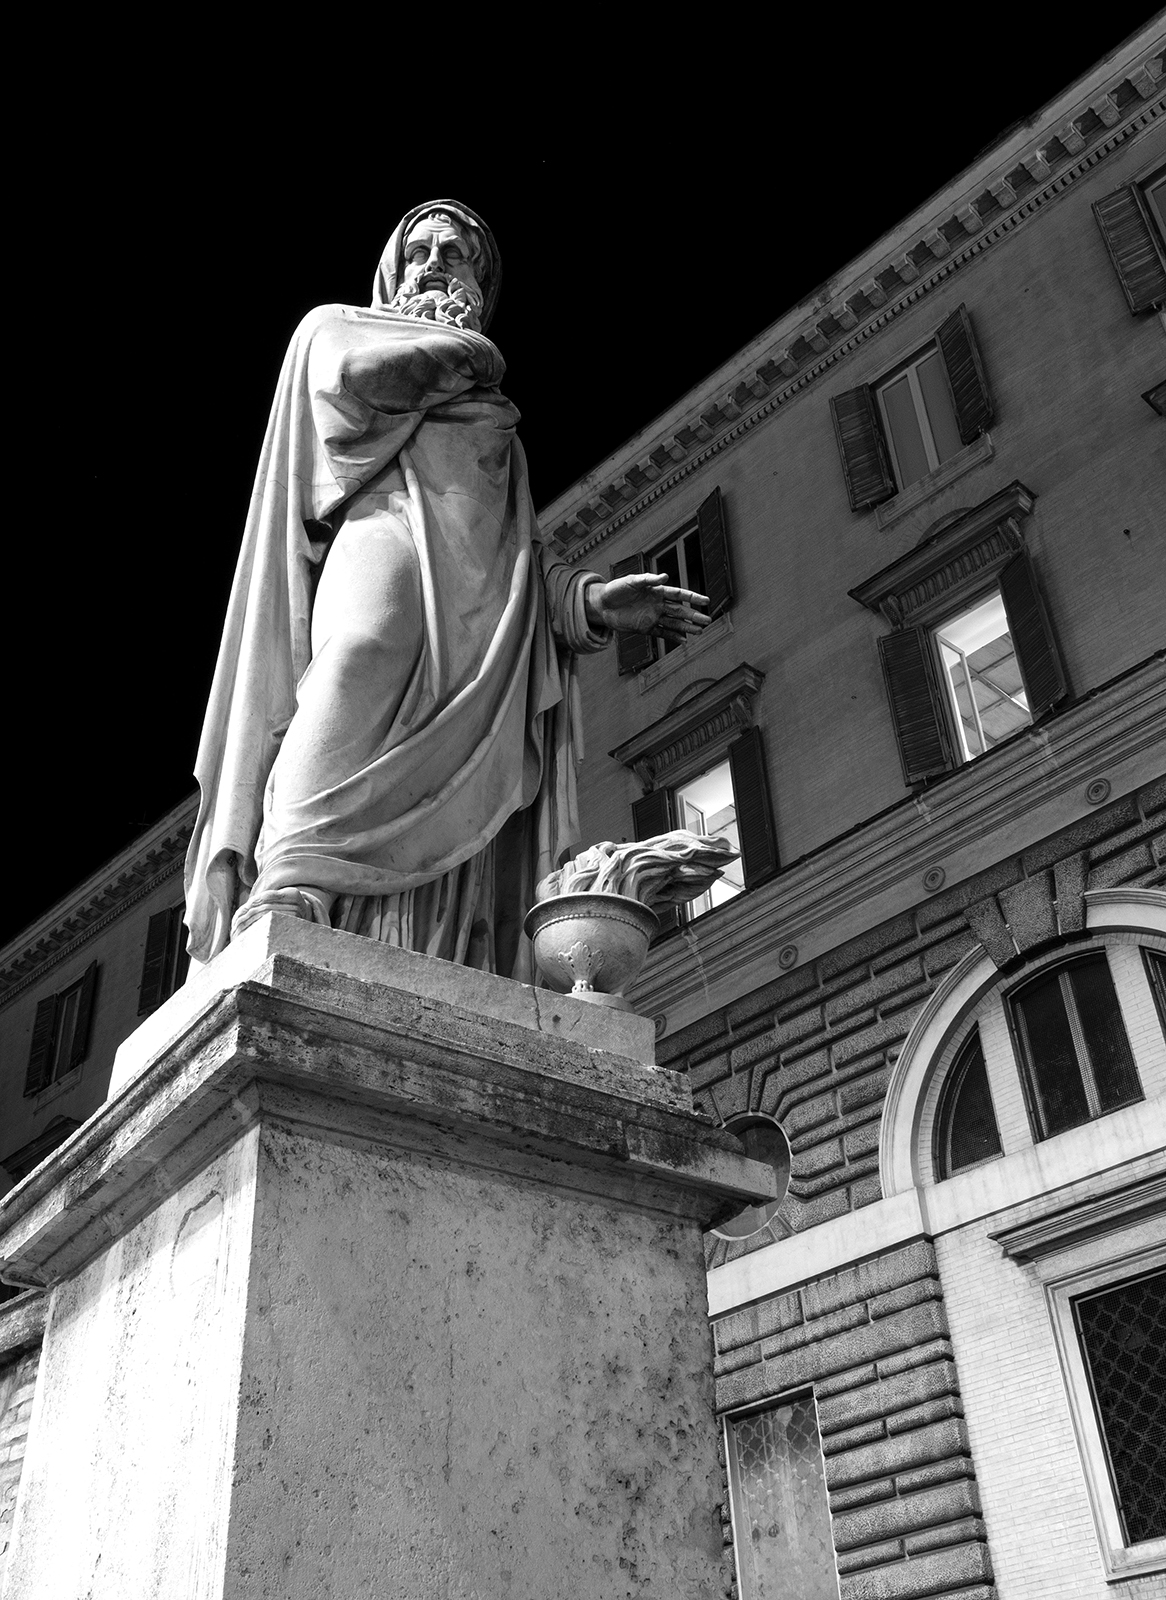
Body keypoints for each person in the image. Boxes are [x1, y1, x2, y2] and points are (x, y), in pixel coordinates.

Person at [184, 200, 708, 979]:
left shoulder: (497, 427)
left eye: (455, 255)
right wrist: (472, 352)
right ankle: (291, 879)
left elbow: (512, 558)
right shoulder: (338, 327)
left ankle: (425, 939)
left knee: (443, 763)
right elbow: (353, 387)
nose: (434, 263)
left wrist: (587, 603)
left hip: (480, 631)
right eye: (419, 251)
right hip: (377, 532)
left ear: (479, 284)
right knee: (359, 652)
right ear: (393, 274)